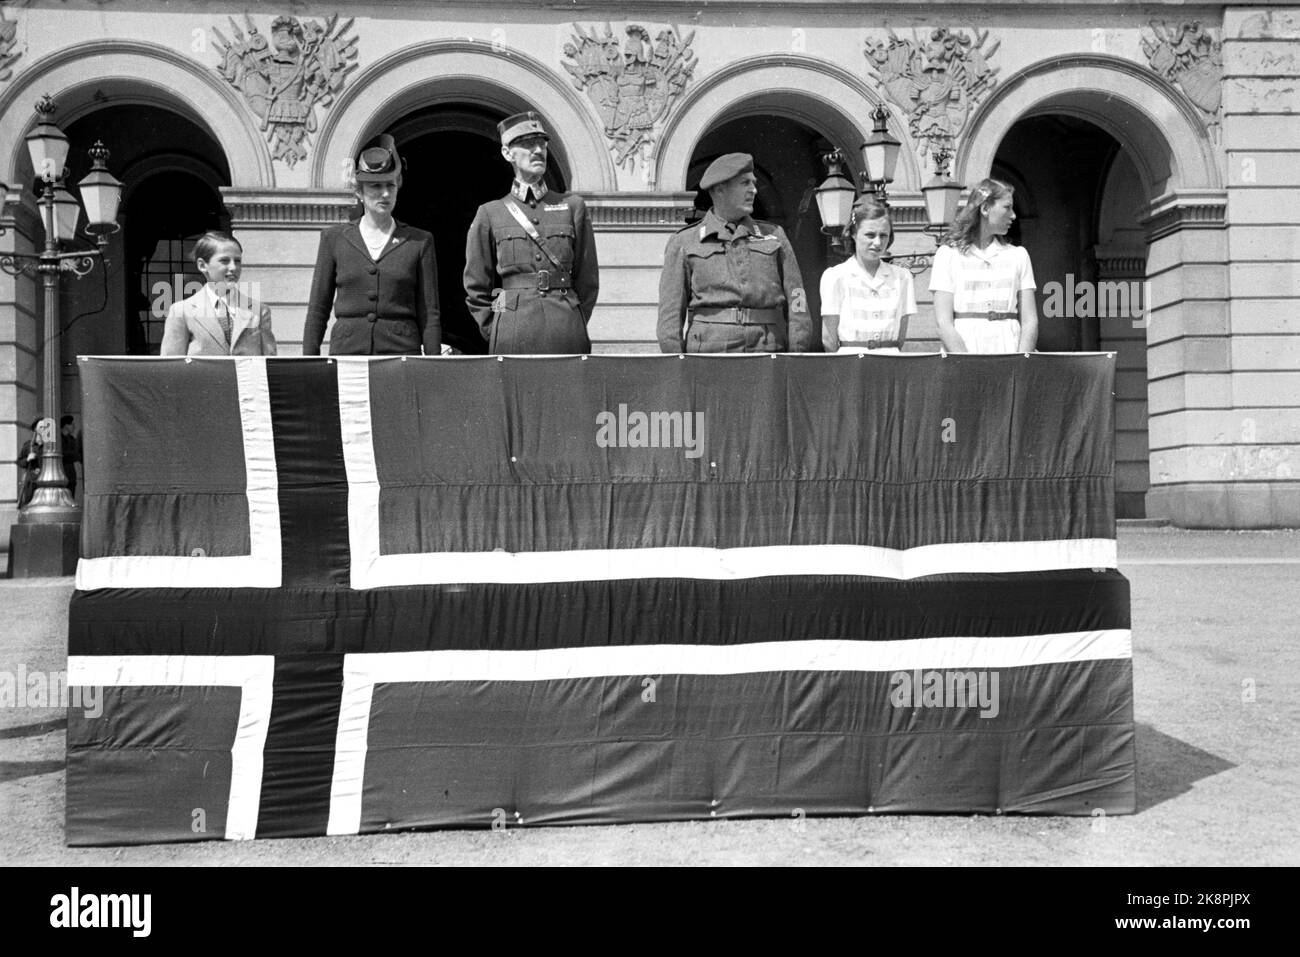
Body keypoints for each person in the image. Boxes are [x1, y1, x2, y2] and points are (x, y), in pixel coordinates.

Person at [464, 111, 599, 354]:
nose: (538, 150)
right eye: (527, 144)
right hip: (513, 330)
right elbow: (479, 286)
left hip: (565, 328)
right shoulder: (491, 213)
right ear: (508, 153)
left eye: (542, 143)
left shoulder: (572, 206)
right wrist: (498, 325)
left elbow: (587, 280)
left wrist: (574, 318)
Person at [658, 152, 812, 353]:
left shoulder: (775, 236)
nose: (754, 190)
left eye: (754, 183)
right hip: (708, 352)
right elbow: (670, 314)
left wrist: (798, 351)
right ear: (720, 189)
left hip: (768, 347)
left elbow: (797, 298)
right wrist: (676, 365)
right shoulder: (685, 241)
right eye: (745, 183)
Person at [303, 134, 441, 355]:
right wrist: (309, 362)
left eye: (390, 185)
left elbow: (429, 312)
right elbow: (318, 308)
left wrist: (433, 364)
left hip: (400, 354)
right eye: (375, 186)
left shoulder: (419, 241)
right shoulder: (334, 239)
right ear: (359, 191)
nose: (385, 193)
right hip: (348, 352)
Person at [929, 177, 1038, 354]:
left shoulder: (1018, 255)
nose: (1013, 215)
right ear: (986, 208)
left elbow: (1030, 320)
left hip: (1009, 350)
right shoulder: (948, 255)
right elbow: (943, 323)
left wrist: (1022, 362)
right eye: (1007, 207)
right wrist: (968, 364)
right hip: (964, 352)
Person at [820, 197, 916, 354]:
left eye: (883, 235)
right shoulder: (836, 277)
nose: (877, 243)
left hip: (890, 361)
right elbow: (828, 339)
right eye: (870, 235)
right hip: (851, 364)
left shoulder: (902, 277)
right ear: (853, 234)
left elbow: (900, 337)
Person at [161, 232, 277, 357]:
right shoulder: (181, 311)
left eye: (237, 261)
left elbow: (269, 362)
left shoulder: (258, 311)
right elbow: (171, 367)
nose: (233, 267)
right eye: (224, 261)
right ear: (202, 265)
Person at [16, 419, 41, 509]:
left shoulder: (49, 445)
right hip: (31, 481)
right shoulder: (28, 445)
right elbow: (19, 461)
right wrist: (27, 459)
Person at [60, 415, 81, 500]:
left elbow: (77, 455)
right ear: (66, 425)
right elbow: (61, 454)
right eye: (72, 424)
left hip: (71, 475)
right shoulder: (59, 439)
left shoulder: (72, 439)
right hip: (62, 474)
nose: (74, 426)